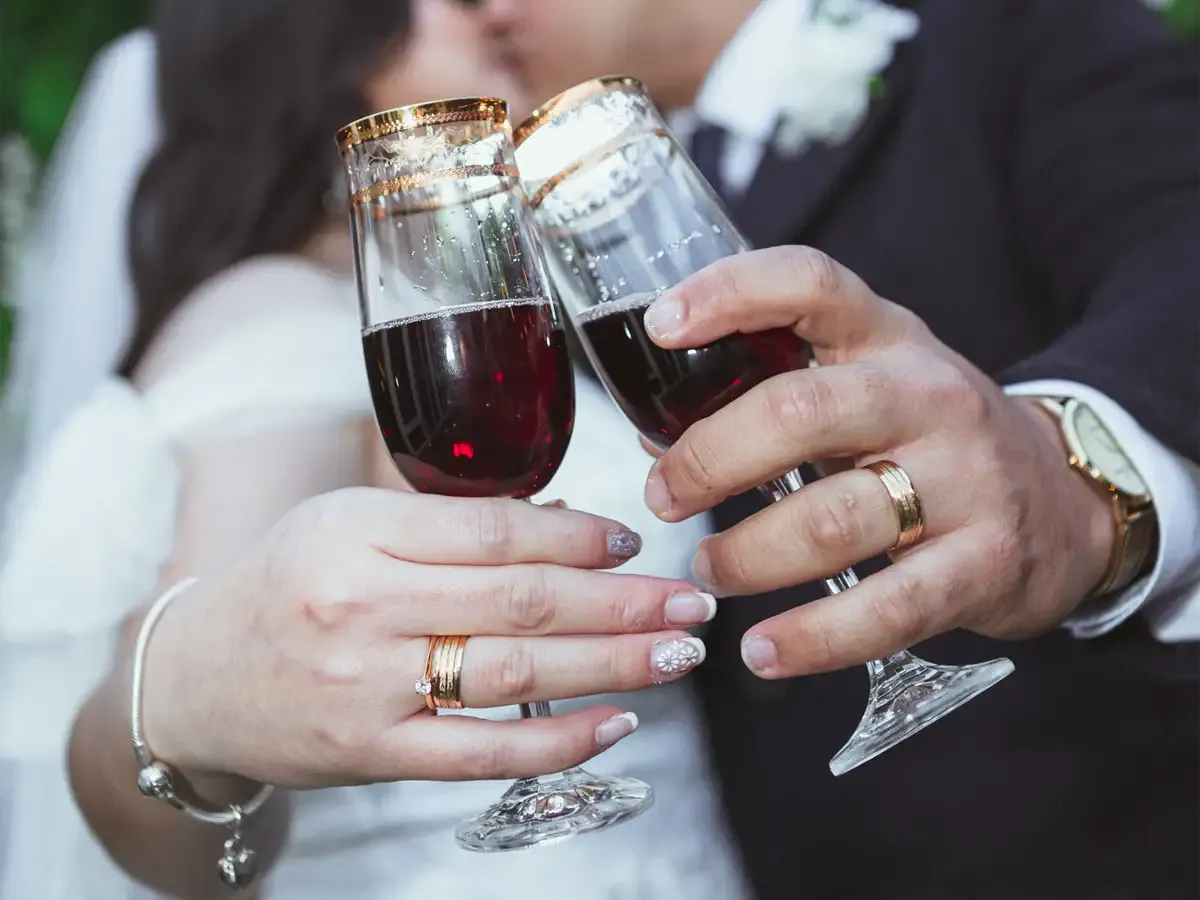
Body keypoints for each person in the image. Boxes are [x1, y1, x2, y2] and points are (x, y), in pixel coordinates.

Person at [0, 1, 751, 898]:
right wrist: (185, 711)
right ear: (327, 41)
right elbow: (184, 737)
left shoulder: (482, 297)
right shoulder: (279, 316)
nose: (490, 11)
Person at [477, 0, 1200, 896]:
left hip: (1092, 836)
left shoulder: (1016, 31)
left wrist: (1076, 473)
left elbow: (1181, 259)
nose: (485, 16)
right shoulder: (594, 182)